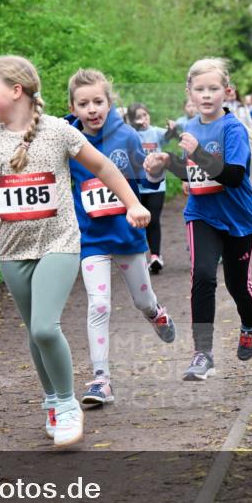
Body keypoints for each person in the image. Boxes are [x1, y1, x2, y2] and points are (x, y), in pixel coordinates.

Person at [0, 55, 150, 448]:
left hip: (60, 243)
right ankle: (50, 400)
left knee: (46, 327)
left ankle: (67, 405)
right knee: (34, 333)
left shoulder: (58, 132)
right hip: (14, 251)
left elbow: (103, 167)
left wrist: (132, 203)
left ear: (16, 91)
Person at [144, 57, 252, 382]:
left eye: (214, 88)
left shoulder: (232, 129)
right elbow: (192, 174)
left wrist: (197, 153)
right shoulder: (190, 128)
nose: (207, 95)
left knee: (237, 285)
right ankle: (203, 353)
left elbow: (233, 177)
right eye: (200, 89)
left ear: (228, 91)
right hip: (201, 214)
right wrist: (167, 162)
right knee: (203, 276)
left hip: (238, 218)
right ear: (190, 92)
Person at [68, 72, 176, 407]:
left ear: (110, 103)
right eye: (83, 103)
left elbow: (146, 177)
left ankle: (156, 312)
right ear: (72, 107)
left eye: (98, 102)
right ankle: (101, 380)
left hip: (127, 234)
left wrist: (156, 168)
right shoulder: (67, 140)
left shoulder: (126, 135)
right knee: (99, 304)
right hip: (91, 239)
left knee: (142, 302)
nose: (92, 109)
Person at [126, 102, 175, 274]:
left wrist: (172, 128)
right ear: (132, 120)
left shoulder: (155, 132)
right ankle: (138, 258)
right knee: (137, 223)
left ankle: (155, 256)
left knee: (153, 220)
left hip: (156, 185)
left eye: (145, 115)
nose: (143, 120)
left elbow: (169, 136)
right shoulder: (130, 134)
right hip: (136, 185)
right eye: (138, 117)